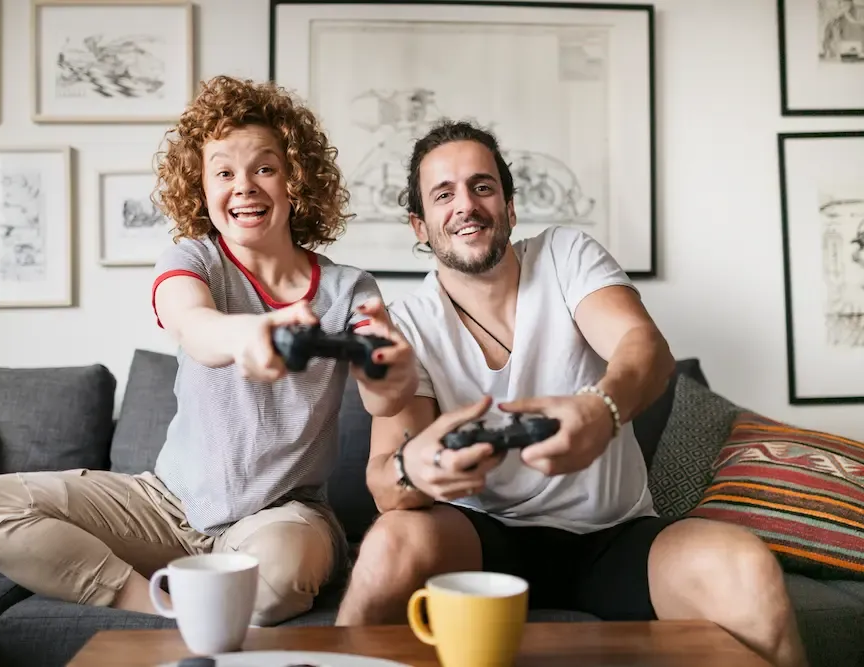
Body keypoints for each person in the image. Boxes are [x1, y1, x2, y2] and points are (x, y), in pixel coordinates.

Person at [334, 120, 808, 667]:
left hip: (612, 535)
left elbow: (643, 348)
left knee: (744, 565)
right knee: (392, 541)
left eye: (482, 187)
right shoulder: (408, 326)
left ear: (510, 207)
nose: (465, 205)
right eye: (444, 194)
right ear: (420, 225)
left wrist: (602, 410)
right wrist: (413, 470)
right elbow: (384, 480)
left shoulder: (564, 255)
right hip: (481, 540)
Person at [0, 75, 417, 627]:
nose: (243, 186)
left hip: (281, 515)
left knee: (278, 579)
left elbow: (385, 396)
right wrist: (250, 335)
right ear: (200, 187)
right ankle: (167, 604)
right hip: (163, 506)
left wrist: (391, 370)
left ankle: (220, 579)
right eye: (223, 172)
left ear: (296, 179)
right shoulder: (192, 259)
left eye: (264, 168)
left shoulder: (350, 288)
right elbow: (194, 324)